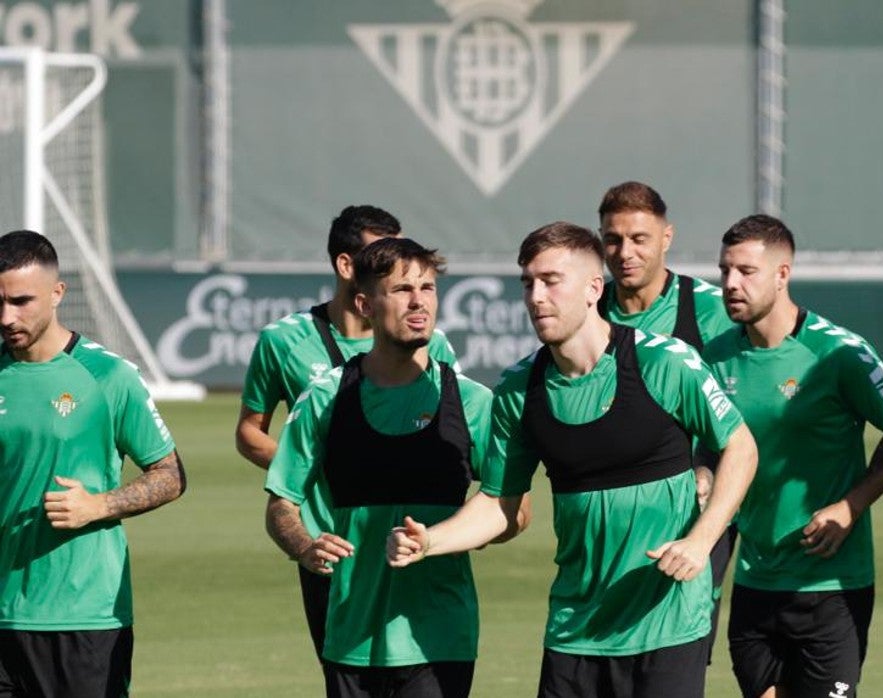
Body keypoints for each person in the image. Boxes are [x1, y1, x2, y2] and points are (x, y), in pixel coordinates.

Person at [388, 222, 758, 698]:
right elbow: (499, 502)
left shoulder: (664, 362)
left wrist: (701, 541)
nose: (536, 297)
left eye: (550, 280)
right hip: (575, 631)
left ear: (592, 289)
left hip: (666, 628)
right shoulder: (519, 390)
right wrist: (429, 542)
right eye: (527, 283)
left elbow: (741, 447)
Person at [264, 238, 504, 698]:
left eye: (428, 288)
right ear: (364, 304)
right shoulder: (326, 396)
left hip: (440, 638)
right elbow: (280, 506)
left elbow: (513, 510)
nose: (419, 302)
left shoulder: (472, 402)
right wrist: (304, 547)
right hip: (351, 637)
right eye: (401, 290)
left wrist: (440, 537)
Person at [699, 214, 883, 698]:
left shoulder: (838, 352)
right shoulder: (714, 358)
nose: (730, 284)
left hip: (830, 586)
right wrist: (703, 474)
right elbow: (706, 441)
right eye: (724, 271)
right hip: (755, 581)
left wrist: (852, 505)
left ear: (783, 275)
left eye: (745, 271)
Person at [236, 205, 458, 662]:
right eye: (382, 253)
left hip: (410, 539)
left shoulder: (432, 343)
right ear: (345, 266)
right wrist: (309, 464)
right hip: (329, 540)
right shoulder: (284, 341)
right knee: (347, 670)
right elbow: (249, 432)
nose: (398, 264)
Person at [0, 230, 186, 697]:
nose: (7, 316)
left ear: (58, 293)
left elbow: (170, 474)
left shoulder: (108, 377)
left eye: (21, 301)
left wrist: (99, 505)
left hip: (82, 617)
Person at [596, 181, 739, 647]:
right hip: (610, 514)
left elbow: (744, 406)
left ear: (666, 238)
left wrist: (708, 469)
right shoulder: (587, 312)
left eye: (639, 239)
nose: (625, 252)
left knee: (681, 643)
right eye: (613, 240)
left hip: (694, 513)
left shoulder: (711, 312)